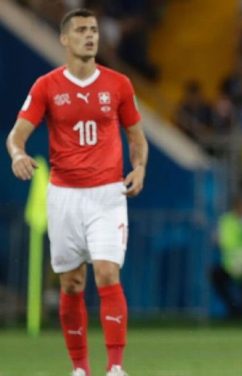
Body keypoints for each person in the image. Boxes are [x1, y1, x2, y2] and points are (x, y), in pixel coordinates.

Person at [6, 8, 148, 376]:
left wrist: (140, 167)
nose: (90, 36)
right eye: (82, 30)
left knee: (105, 272)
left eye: (94, 30)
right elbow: (16, 135)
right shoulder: (46, 86)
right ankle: (79, 368)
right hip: (64, 196)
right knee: (72, 281)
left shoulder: (119, 84)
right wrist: (17, 155)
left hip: (107, 194)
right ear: (65, 39)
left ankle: (115, 366)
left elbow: (136, 136)